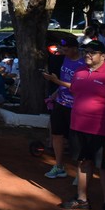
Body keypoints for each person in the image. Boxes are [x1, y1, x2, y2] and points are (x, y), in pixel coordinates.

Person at [59, 41, 105, 210]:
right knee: (82, 162)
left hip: (102, 129)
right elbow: (77, 93)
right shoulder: (79, 72)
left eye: (93, 52)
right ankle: (82, 199)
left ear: (103, 55)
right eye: (86, 51)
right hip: (78, 126)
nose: (88, 54)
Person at [42, 36, 83, 179]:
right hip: (60, 103)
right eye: (62, 49)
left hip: (76, 107)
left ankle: (81, 174)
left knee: (76, 140)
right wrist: (55, 93)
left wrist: (56, 81)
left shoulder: (83, 63)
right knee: (56, 134)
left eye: (66, 50)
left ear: (75, 49)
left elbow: (79, 87)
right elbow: (64, 82)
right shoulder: (63, 59)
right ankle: (59, 166)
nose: (63, 52)